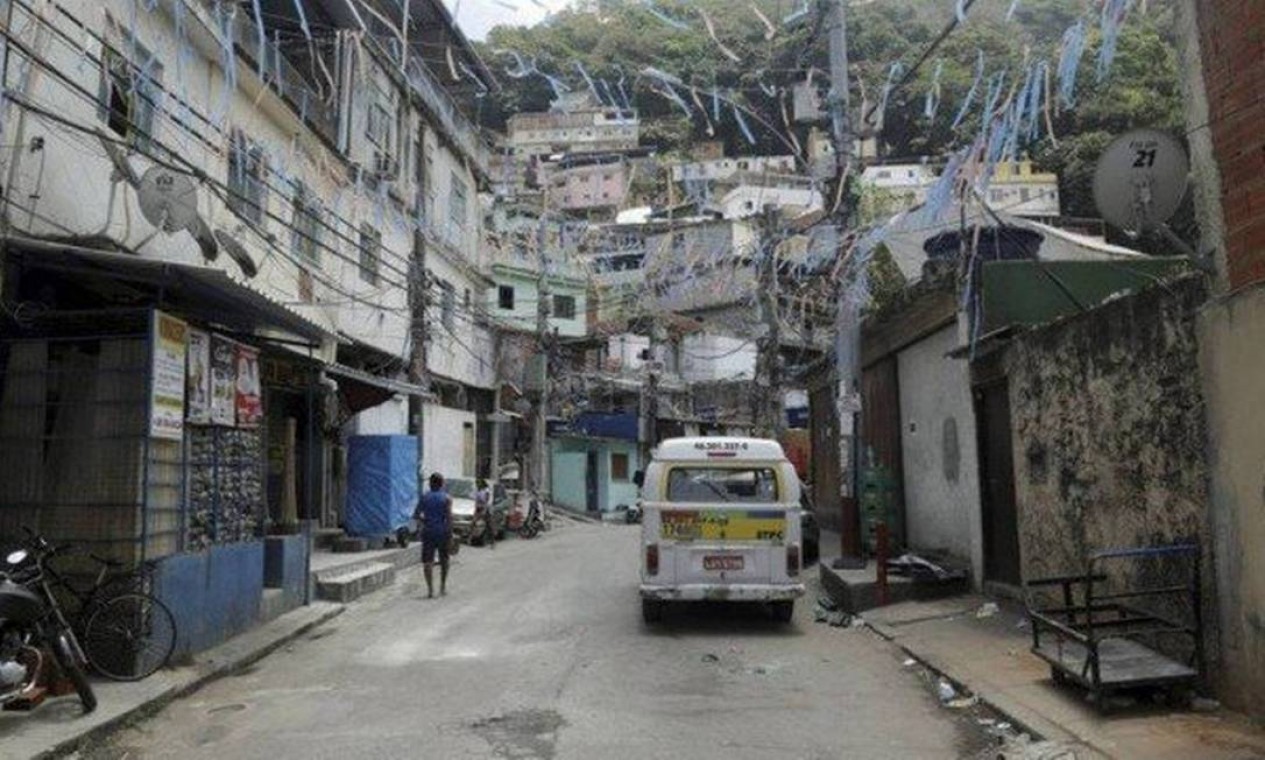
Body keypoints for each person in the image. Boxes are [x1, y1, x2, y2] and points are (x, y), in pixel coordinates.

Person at [414, 472, 453, 598]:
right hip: (442, 531)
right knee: (444, 559)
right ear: (441, 484)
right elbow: (449, 517)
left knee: (428, 561)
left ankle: (430, 589)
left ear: (430, 483)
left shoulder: (424, 497)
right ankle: (442, 586)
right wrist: (450, 533)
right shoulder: (446, 498)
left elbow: (416, 515)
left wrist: (425, 521)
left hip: (428, 531)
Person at [475, 478, 495, 549]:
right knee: (474, 523)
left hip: (486, 509)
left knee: (489, 525)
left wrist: (484, 510)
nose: (477, 485)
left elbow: (486, 501)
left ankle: (492, 542)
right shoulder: (478, 490)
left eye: (478, 483)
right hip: (478, 508)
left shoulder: (486, 490)